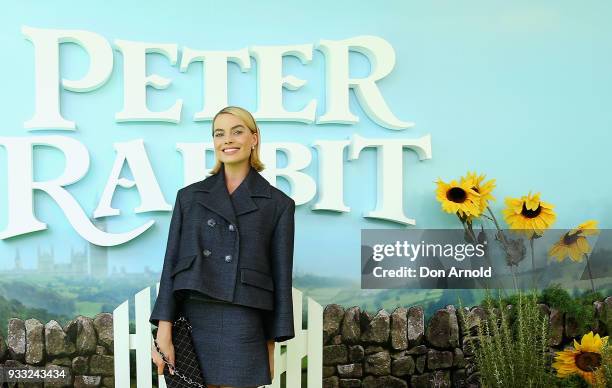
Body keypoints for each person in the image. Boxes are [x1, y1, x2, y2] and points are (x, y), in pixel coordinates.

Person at [149, 106, 296, 388]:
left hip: (243, 321)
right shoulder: (188, 198)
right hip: (192, 318)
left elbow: (280, 279)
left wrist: (271, 344)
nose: (227, 139)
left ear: (254, 138)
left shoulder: (278, 205)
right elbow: (171, 266)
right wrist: (163, 332)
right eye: (219, 133)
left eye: (237, 131)